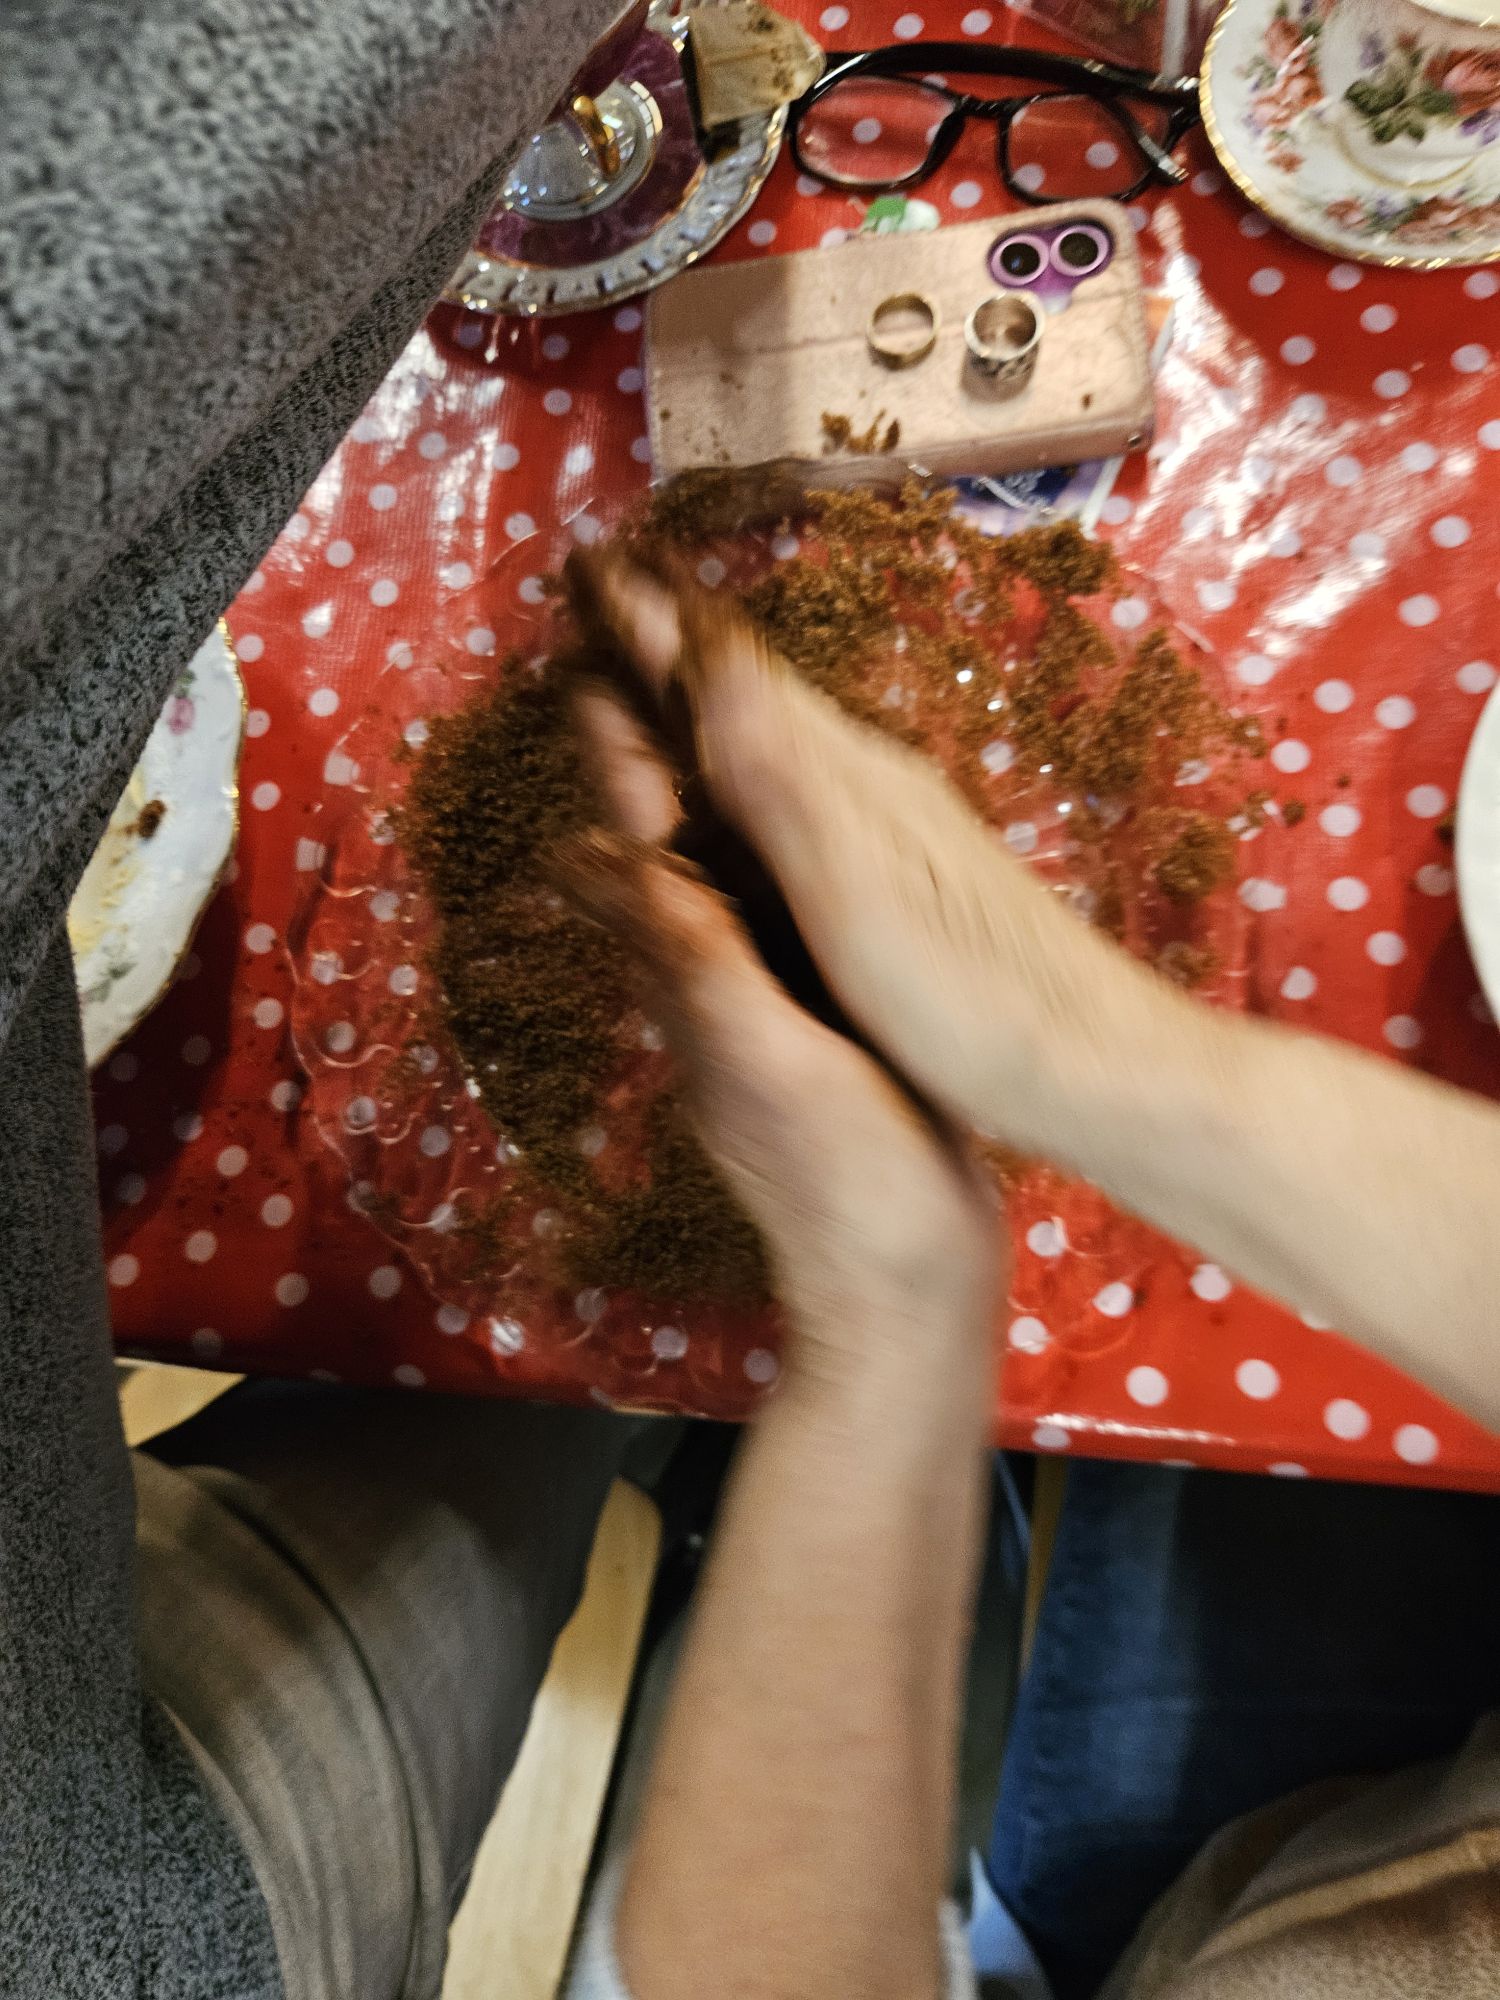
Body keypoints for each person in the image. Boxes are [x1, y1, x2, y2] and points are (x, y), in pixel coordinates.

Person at [557, 550, 1500, 2000]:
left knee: (1080, 1854)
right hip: (1353, 1867)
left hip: (1214, 1913)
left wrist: (895, 1297)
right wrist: (1088, 1049)